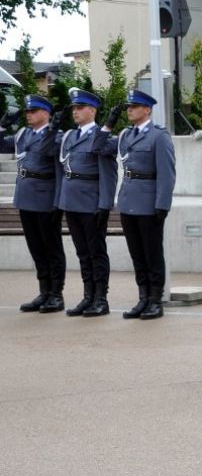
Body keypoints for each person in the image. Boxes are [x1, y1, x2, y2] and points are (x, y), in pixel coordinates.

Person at [110, 89, 176, 320]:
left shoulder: (158, 136)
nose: (129, 110)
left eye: (134, 106)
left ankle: (155, 300)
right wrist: (108, 126)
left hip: (149, 203)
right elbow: (100, 147)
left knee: (152, 253)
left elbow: (167, 174)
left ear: (147, 110)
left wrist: (162, 204)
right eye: (128, 106)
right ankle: (143, 298)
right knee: (137, 254)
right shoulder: (126, 135)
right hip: (128, 200)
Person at [0, 96, 66, 313]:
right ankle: (44, 291)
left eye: (34, 111)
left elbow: (51, 156)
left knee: (51, 248)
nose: (28, 114)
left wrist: (58, 202)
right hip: (26, 196)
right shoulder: (23, 134)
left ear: (46, 114)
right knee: (36, 248)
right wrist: (2, 126)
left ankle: (56, 294)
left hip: (46, 197)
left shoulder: (56, 136)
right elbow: (2, 146)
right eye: (27, 111)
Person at [56, 88, 117, 317]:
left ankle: (101, 298)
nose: (76, 111)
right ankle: (87, 296)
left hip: (91, 202)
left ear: (92, 110)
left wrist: (105, 204)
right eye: (74, 108)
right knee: (82, 252)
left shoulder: (101, 137)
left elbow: (108, 173)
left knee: (96, 252)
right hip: (71, 201)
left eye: (80, 107)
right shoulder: (70, 136)